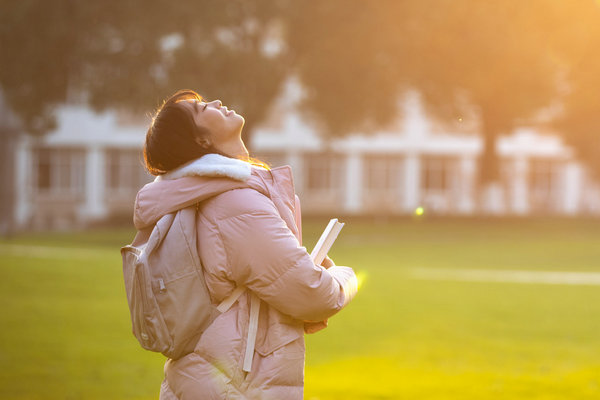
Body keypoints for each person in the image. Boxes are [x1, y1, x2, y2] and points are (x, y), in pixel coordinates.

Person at [134, 89, 358, 399]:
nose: (214, 102)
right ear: (200, 141)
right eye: (201, 110)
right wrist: (345, 277)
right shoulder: (235, 204)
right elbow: (313, 294)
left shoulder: (208, 197)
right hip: (235, 387)